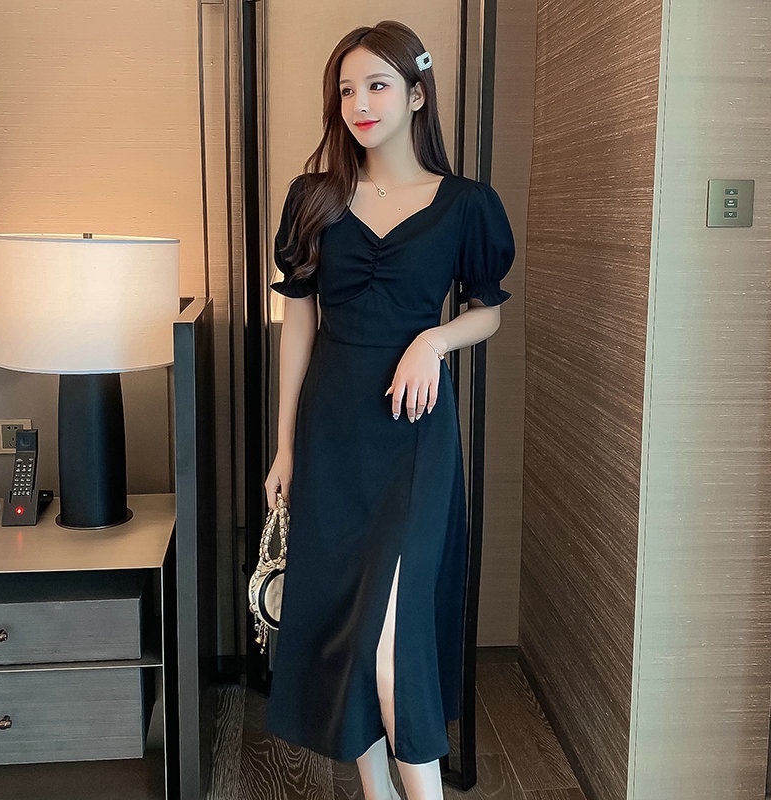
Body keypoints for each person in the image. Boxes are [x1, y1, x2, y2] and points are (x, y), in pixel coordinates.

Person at [263, 20, 514, 800]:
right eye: (346, 90)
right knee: (346, 632)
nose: (360, 104)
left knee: (390, 648)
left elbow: (488, 311)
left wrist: (433, 341)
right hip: (332, 434)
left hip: (415, 436)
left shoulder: (466, 204)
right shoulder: (313, 198)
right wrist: (285, 446)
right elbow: (298, 325)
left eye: (377, 85)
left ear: (416, 94)